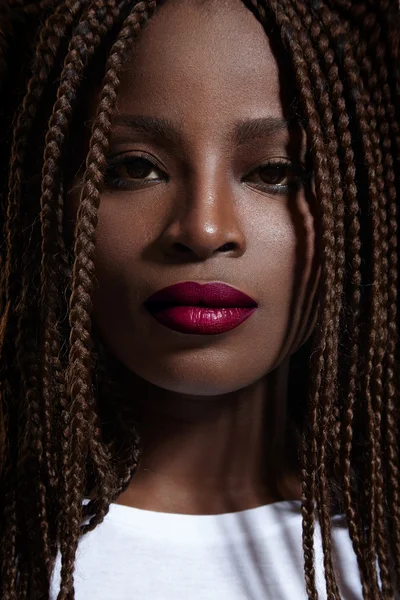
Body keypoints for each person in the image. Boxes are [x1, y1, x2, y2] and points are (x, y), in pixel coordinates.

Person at [0, 0, 399, 598]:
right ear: (53, 200)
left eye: (276, 172)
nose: (204, 229)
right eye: (136, 167)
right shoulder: (19, 555)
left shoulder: (380, 554)